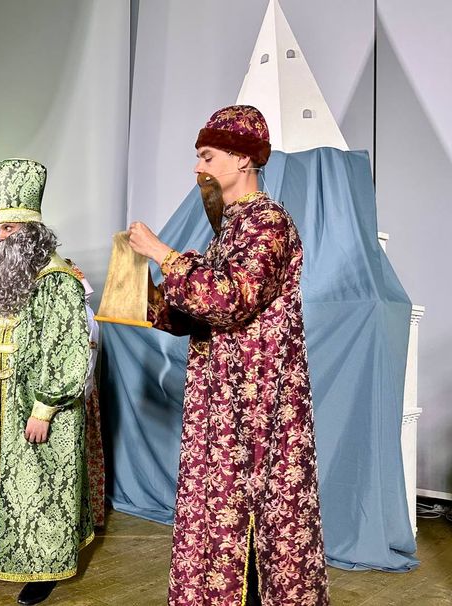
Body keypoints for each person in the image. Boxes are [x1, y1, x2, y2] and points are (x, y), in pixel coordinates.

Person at [128, 105, 329, 606]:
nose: (198, 167)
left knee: (261, 518)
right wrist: (137, 292)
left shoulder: (268, 222)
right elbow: (200, 313)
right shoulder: (229, 231)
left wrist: (164, 254)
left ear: (242, 159)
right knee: (220, 516)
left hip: (257, 402)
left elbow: (231, 298)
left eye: (207, 156)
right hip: (221, 400)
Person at [0, 158, 93, 605]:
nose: (1, 238)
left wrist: (44, 408)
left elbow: (68, 349)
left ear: (32, 232)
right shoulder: (10, 278)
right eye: (0, 230)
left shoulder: (58, 281)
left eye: (10, 230)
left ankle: (43, 567)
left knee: (39, 487)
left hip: (37, 406)